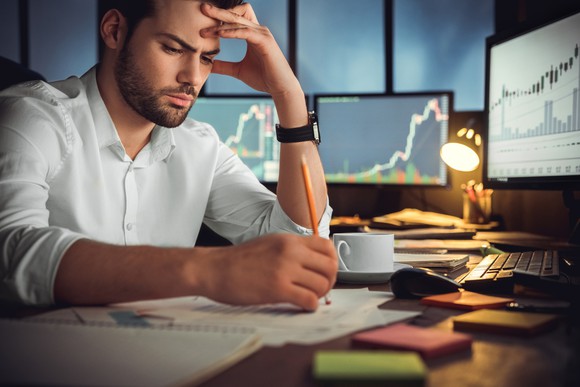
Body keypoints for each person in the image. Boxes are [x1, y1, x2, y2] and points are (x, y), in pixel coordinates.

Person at [0, 0, 337, 311]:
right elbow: (11, 254)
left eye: (206, 57)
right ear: (115, 31)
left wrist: (288, 95)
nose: (193, 78)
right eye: (174, 48)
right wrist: (209, 270)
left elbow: (297, 242)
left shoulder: (200, 146)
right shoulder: (32, 117)